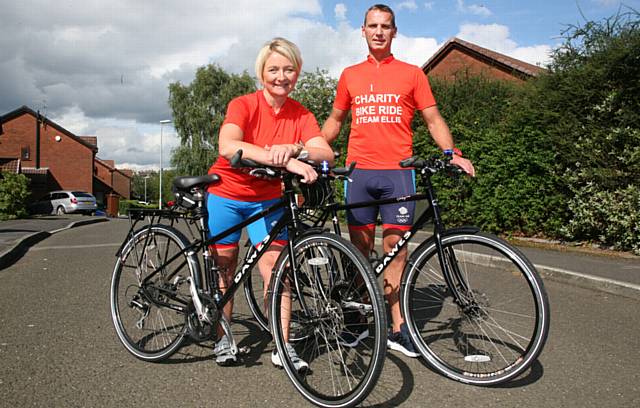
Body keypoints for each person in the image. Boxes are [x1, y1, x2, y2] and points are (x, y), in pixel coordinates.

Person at [322, 4, 475, 357]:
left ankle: (397, 327)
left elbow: (434, 119)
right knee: (359, 252)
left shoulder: (412, 74)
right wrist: (311, 150)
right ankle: (357, 321)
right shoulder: (350, 75)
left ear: (394, 32)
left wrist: (453, 153)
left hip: (398, 174)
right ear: (363, 31)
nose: (379, 31)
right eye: (372, 26)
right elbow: (334, 121)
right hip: (359, 173)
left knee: (397, 252)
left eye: (385, 26)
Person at [206, 37, 335, 368]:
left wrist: (294, 150)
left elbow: (325, 153)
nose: (281, 76)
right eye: (274, 69)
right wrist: (280, 160)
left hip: (267, 199)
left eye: (288, 69)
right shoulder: (243, 104)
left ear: (297, 73)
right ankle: (223, 338)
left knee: (280, 270)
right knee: (226, 268)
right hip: (228, 194)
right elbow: (227, 144)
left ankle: (284, 344)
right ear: (262, 72)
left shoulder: (301, 114)